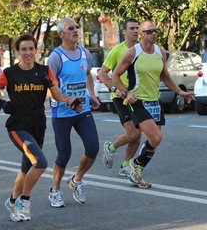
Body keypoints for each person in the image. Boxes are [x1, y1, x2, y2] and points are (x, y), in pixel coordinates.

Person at [111, 20, 195, 188]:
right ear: (141, 34)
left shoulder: (160, 51)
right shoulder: (132, 53)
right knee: (156, 136)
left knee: (154, 140)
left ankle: (137, 169)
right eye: (149, 31)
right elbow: (115, 76)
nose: (154, 34)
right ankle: (135, 166)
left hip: (154, 101)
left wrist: (180, 92)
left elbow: (165, 77)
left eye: (155, 31)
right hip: (138, 101)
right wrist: (126, 93)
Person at [0, 33, 62, 221]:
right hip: (18, 124)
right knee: (40, 162)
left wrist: (49, 82)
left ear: (36, 50)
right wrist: (2, 103)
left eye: (31, 49)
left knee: (26, 168)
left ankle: (12, 200)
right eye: (24, 49)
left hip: (38, 123)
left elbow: (59, 97)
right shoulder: (10, 73)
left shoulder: (45, 70)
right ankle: (24, 200)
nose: (28, 53)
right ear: (17, 52)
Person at [46, 17, 100, 208]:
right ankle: (55, 190)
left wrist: (92, 95)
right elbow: (48, 87)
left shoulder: (85, 53)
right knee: (64, 154)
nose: (76, 30)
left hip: (83, 109)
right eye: (71, 28)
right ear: (61, 34)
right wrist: (68, 100)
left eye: (76, 27)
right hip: (62, 113)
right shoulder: (56, 57)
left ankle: (76, 180)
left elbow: (87, 76)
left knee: (93, 148)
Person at [99, 18, 142, 177]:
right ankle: (110, 148)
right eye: (131, 28)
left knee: (138, 135)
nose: (135, 31)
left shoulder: (142, 49)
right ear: (124, 31)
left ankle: (125, 165)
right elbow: (102, 73)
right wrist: (115, 88)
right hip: (121, 96)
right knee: (132, 133)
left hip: (137, 96)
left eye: (137, 28)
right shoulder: (117, 51)